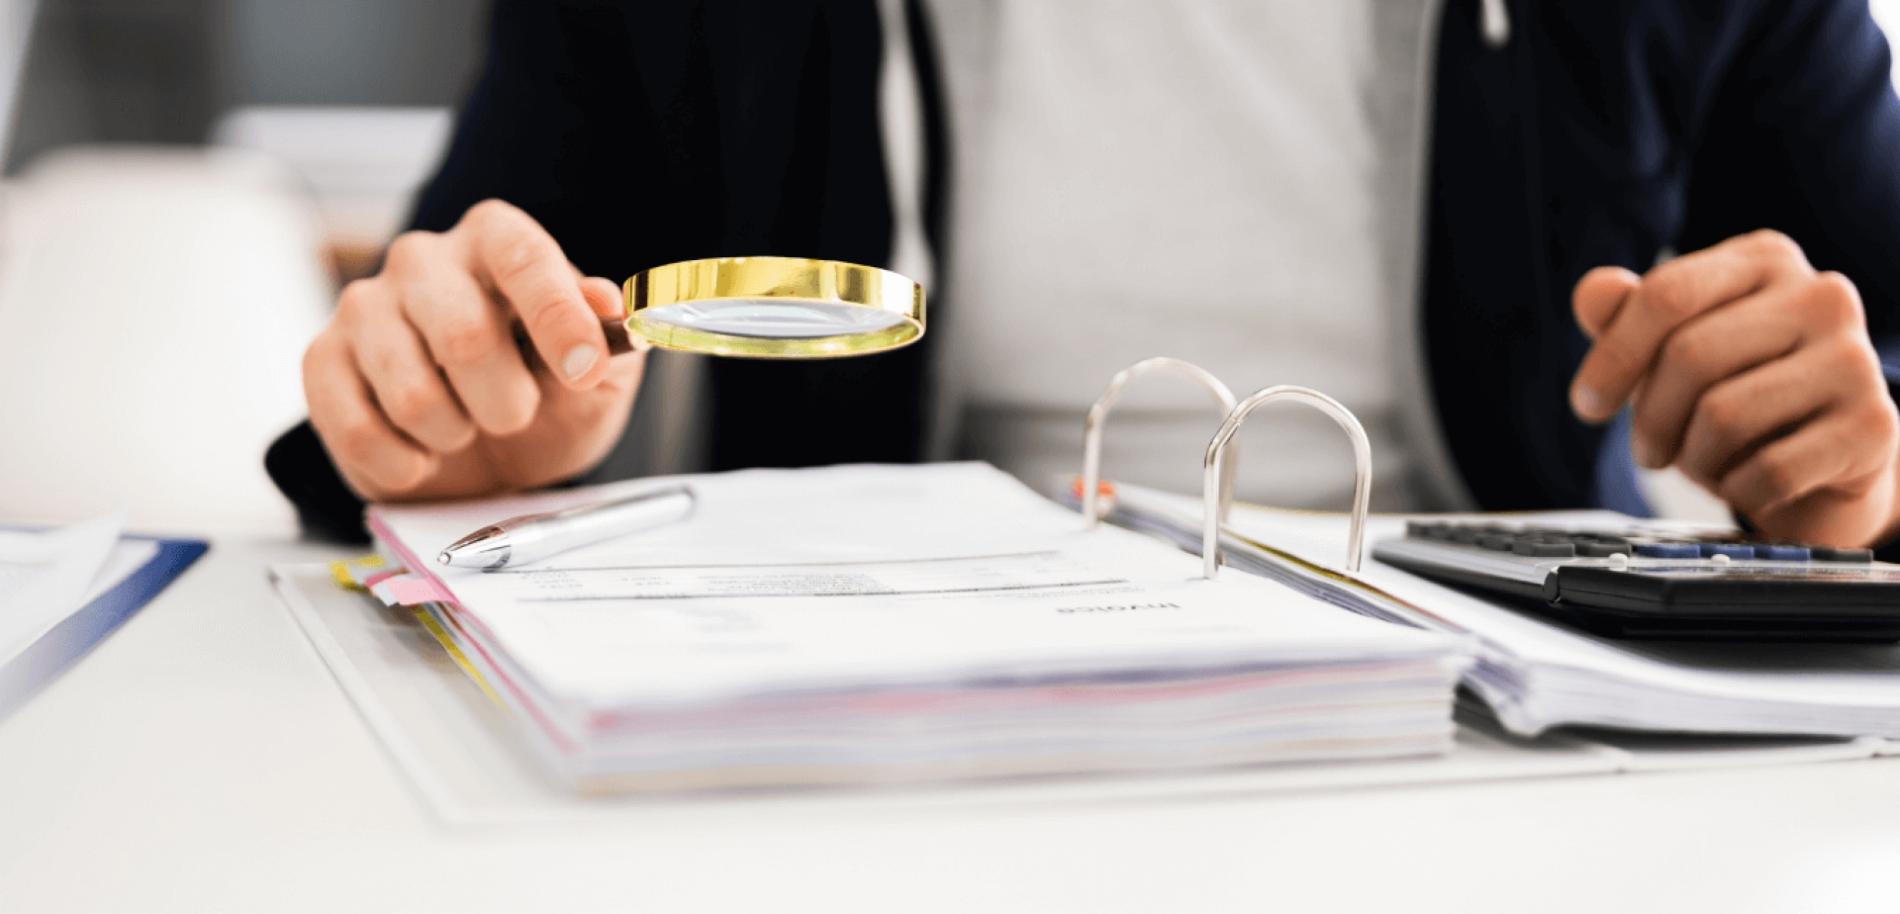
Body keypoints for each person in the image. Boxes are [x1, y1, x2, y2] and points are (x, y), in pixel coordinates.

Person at [268, 0, 1900, 557]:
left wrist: (1870, 462)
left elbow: (1880, 339)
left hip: (1519, 758)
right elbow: (451, 331)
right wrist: (464, 440)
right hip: (844, 730)